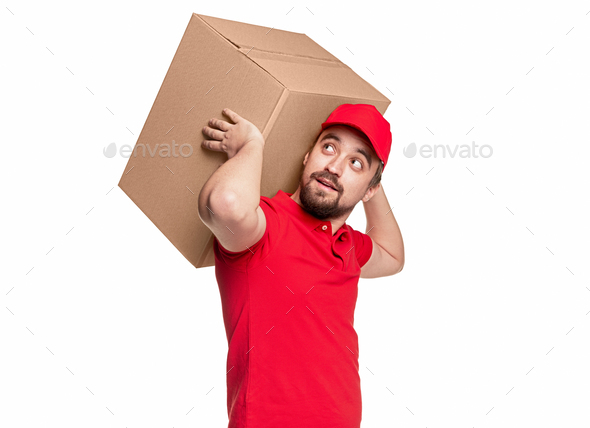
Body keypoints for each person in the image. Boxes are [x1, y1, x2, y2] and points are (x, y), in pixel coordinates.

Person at [198, 104, 404, 428]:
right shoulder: (266, 224)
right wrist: (252, 144)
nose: (334, 167)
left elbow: (393, 256)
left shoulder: (349, 245)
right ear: (307, 156)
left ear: (372, 188)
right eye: (329, 147)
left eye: (355, 162)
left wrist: (371, 183)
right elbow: (225, 205)